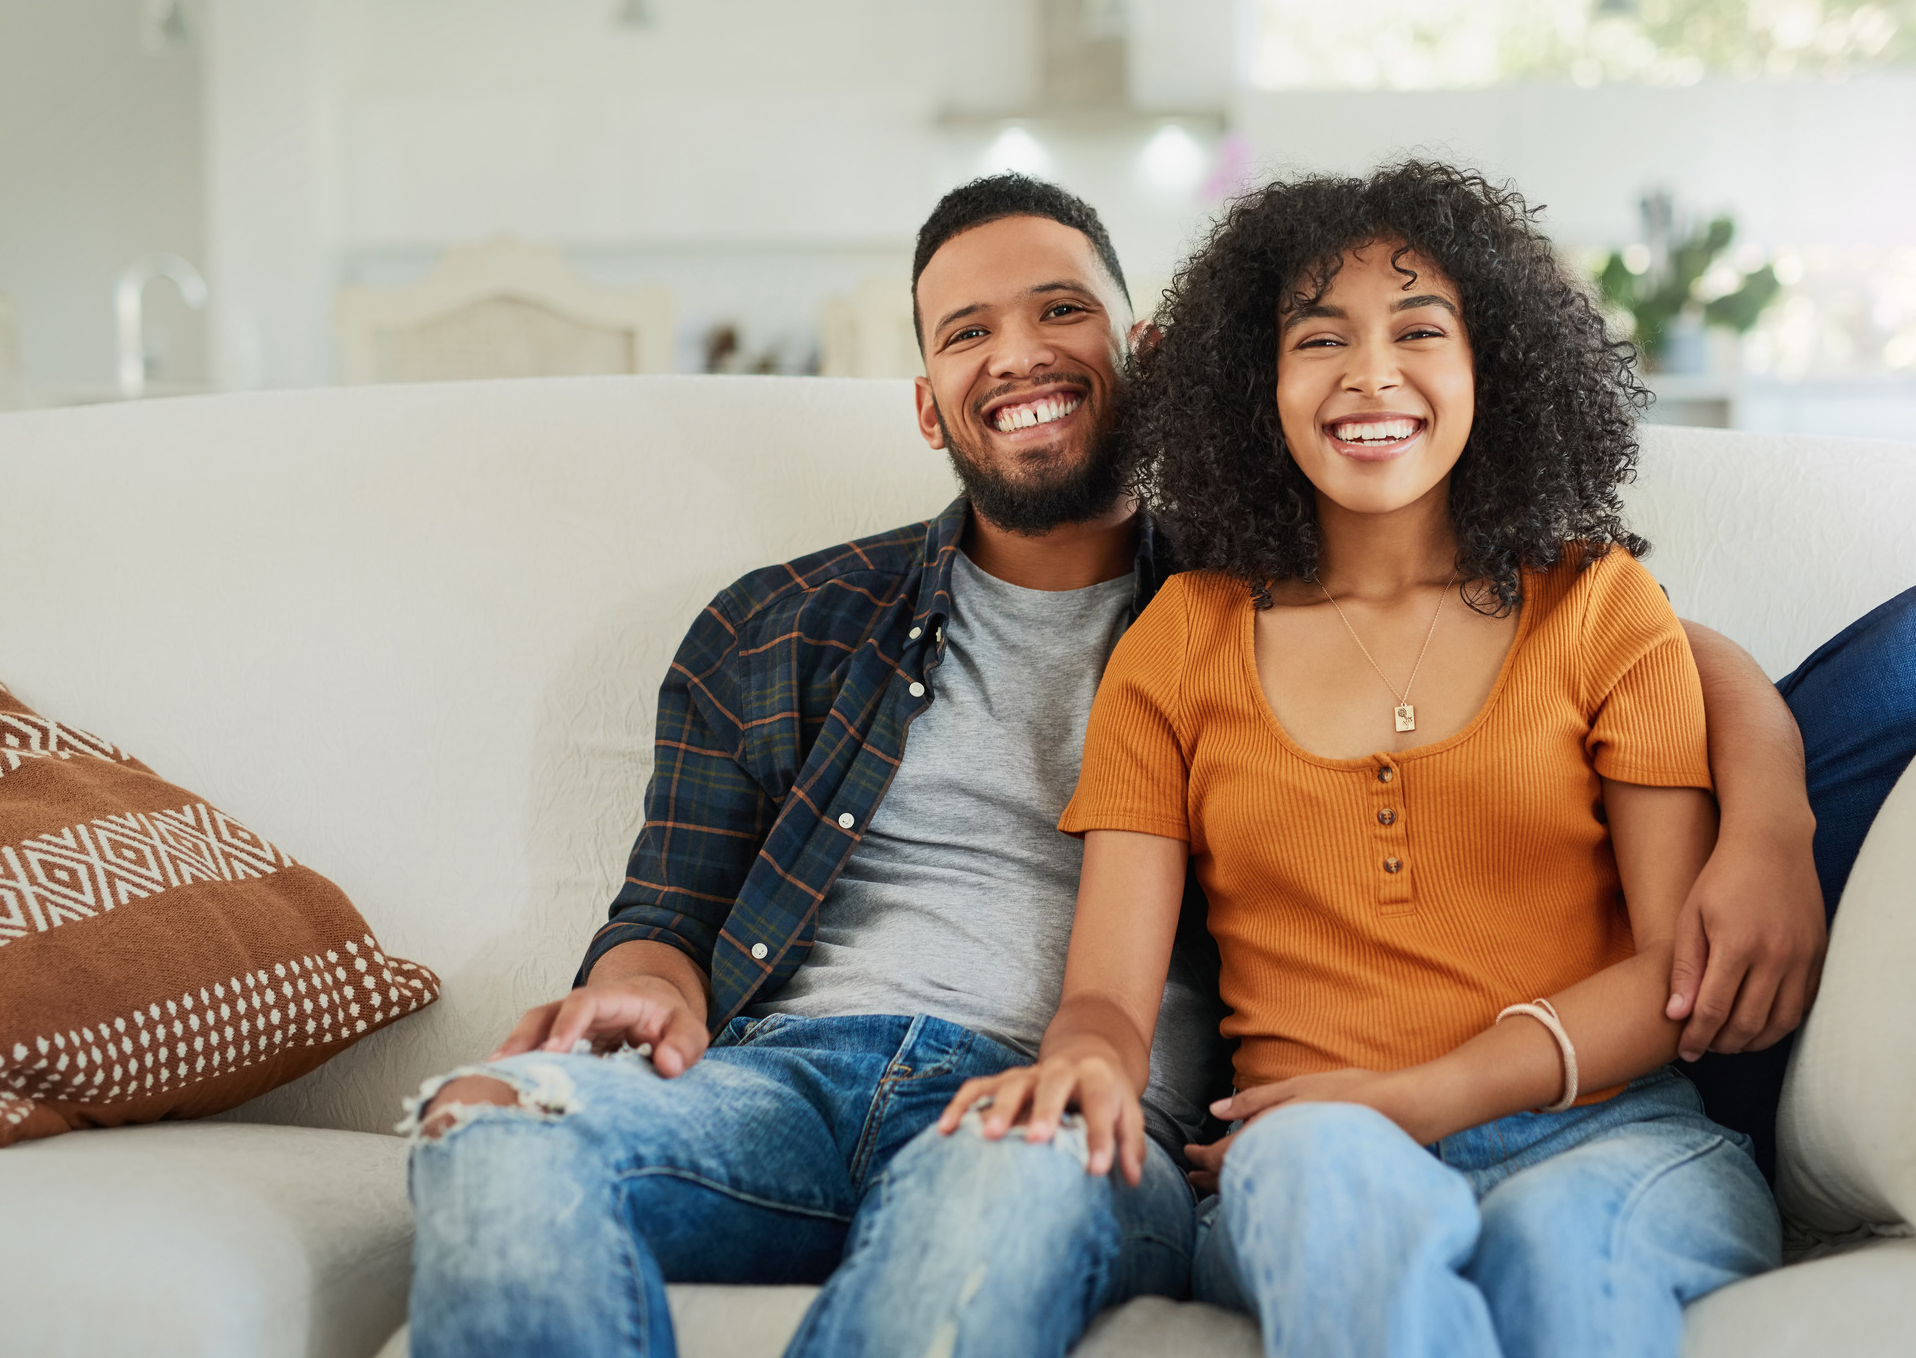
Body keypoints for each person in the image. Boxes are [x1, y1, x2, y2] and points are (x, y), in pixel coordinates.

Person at [403, 173, 1821, 1358]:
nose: (1016, 354)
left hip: (1065, 1112)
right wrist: (633, 990)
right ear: (926, 397)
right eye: (968, 331)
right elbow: (667, 916)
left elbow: (1655, 649)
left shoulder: (1243, 583)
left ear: (1151, 356)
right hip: (794, 1080)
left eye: (1062, 308)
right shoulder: (787, 624)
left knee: (1020, 1186)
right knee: (486, 1120)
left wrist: (1773, 810)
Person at [941, 161, 1785, 1358]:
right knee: (1327, 1177)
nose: (1371, 373)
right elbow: (1106, 998)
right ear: (1255, 385)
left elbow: (1673, 977)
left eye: (1421, 330)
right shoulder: (1178, 642)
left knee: (1557, 1245)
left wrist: (1420, 1096)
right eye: (1319, 338)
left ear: (1495, 364)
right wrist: (1080, 1060)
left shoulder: (1600, 605)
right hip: (1306, 1146)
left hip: (1613, 1135)